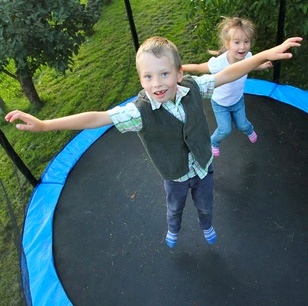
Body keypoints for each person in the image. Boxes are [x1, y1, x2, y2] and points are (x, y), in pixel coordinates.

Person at [5, 36, 302, 248]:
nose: (156, 83)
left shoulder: (193, 88)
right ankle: (173, 229)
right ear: (141, 79)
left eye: (163, 74)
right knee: (174, 207)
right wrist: (45, 125)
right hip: (174, 175)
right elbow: (97, 118)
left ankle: (207, 225)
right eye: (148, 77)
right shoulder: (138, 111)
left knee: (205, 203)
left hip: (203, 166)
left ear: (179, 73)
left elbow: (228, 73)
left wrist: (266, 54)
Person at [183, 17, 273, 157]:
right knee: (225, 129)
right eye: (237, 42)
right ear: (227, 44)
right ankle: (214, 142)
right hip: (220, 104)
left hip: (238, 101)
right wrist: (180, 68)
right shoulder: (219, 63)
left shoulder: (248, 56)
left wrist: (262, 65)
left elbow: (253, 64)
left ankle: (249, 130)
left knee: (243, 125)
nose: (242, 47)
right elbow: (198, 67)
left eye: (246, 42)